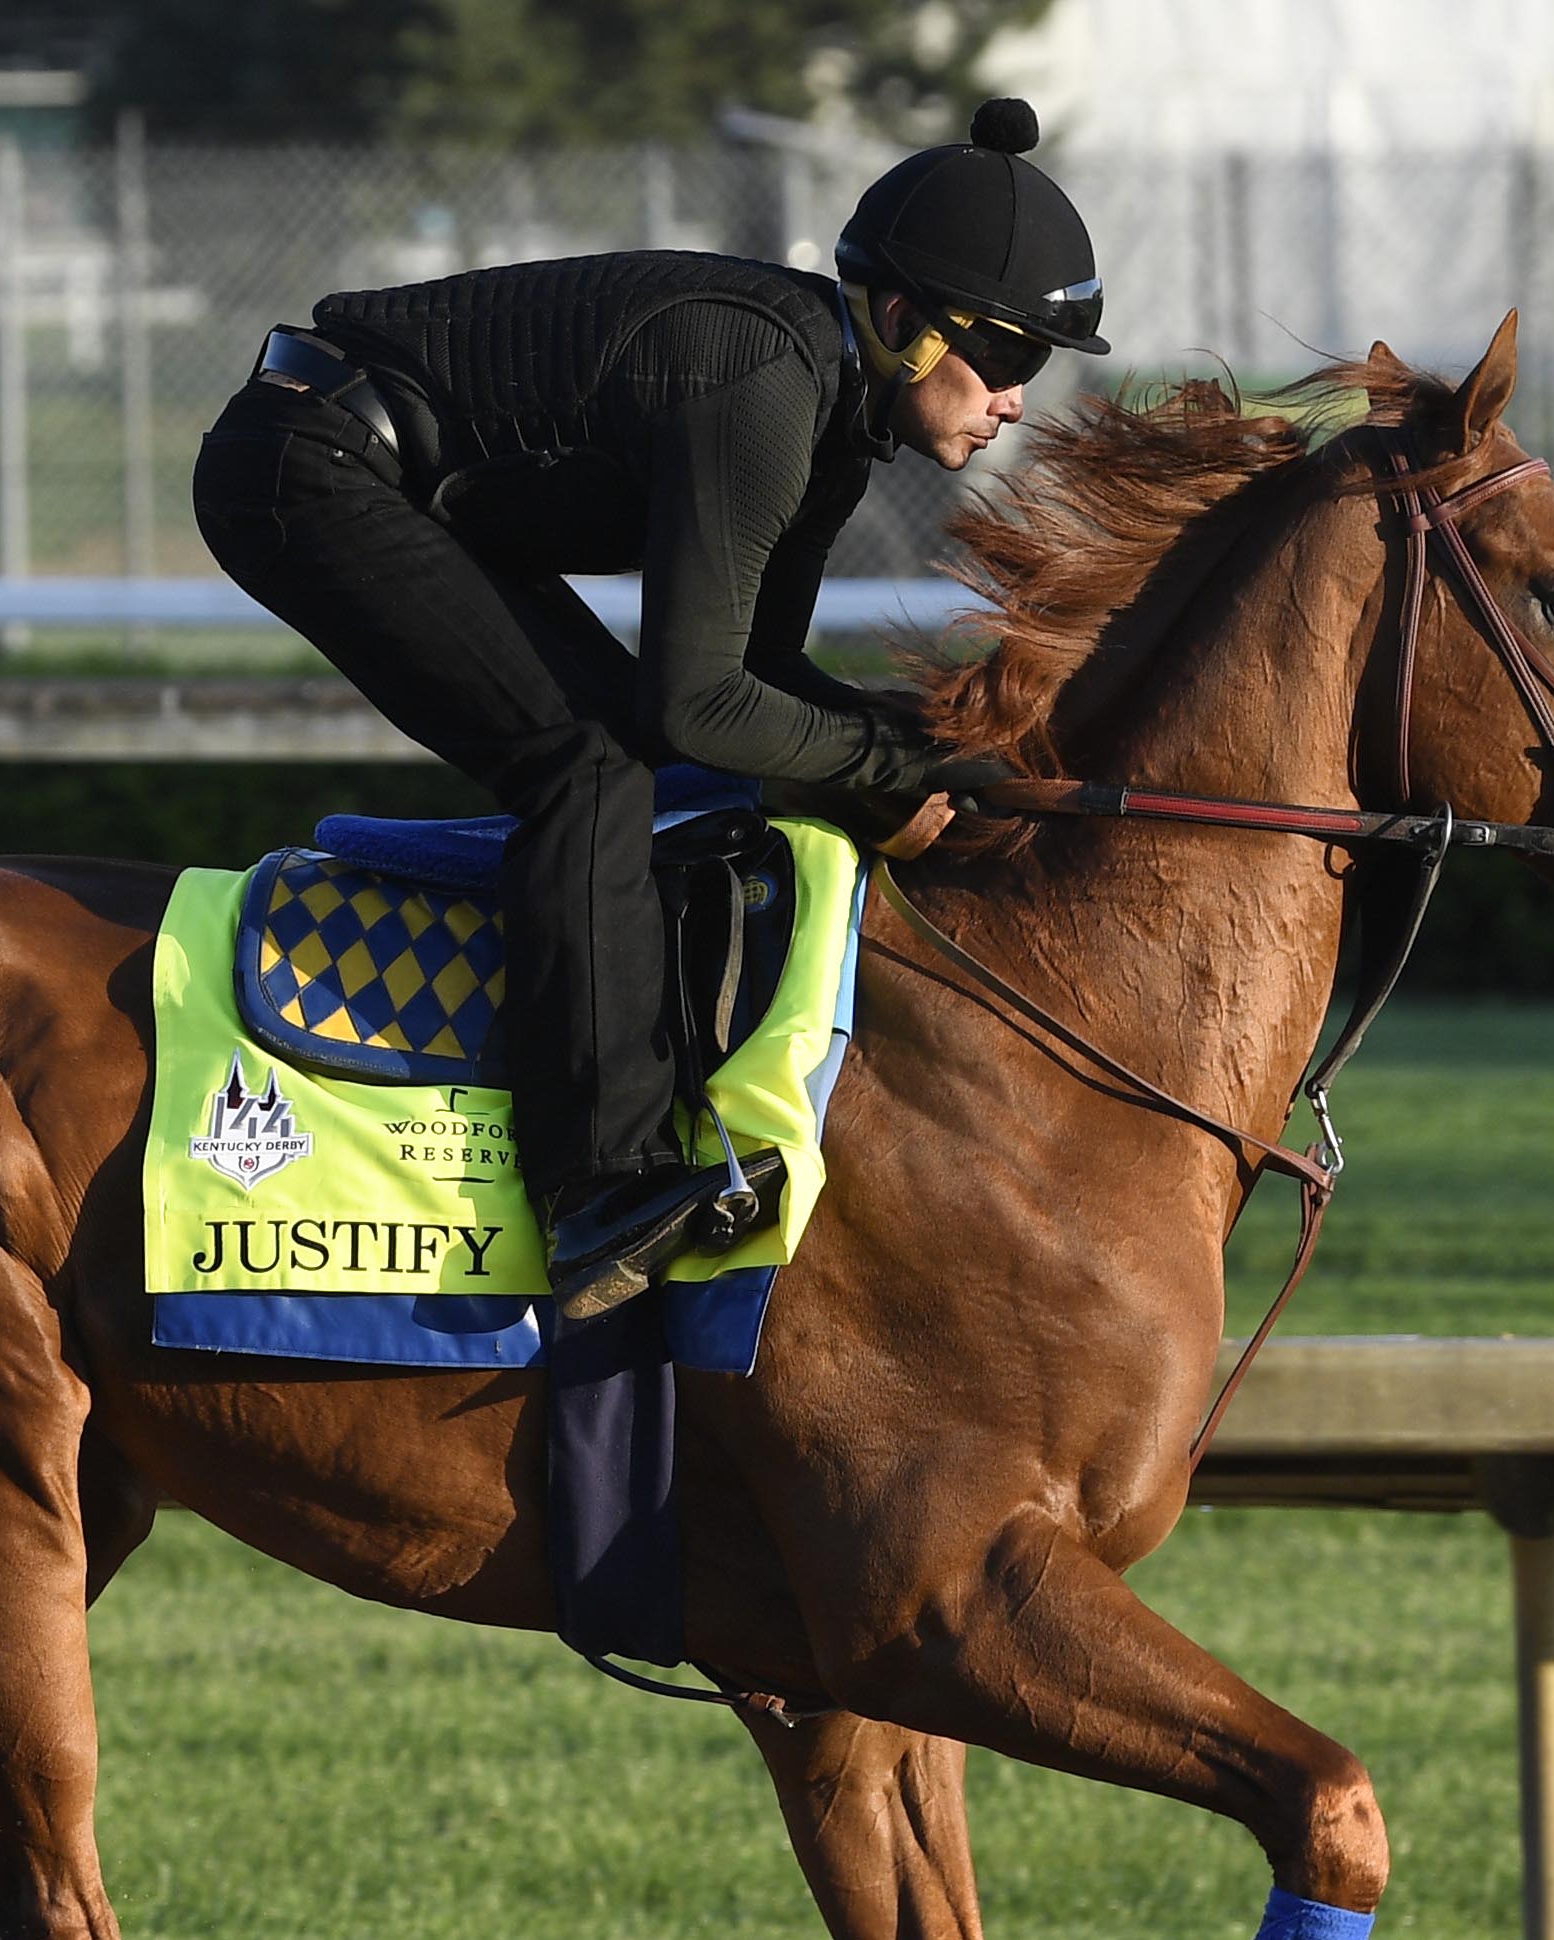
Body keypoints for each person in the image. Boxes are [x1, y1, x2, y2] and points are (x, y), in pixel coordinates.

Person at [193, 98, 1109, 1319]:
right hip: (308, 461)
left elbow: (761, 675)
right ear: (903, 322)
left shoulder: (836, 421)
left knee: (616, 754)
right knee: (588, 767)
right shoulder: (765, 383)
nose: (1017, 401)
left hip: (395, 475)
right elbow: (696, 705)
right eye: (1007, 359)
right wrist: (879, 772)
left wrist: (939, 752)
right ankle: (595, 1188)